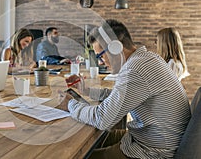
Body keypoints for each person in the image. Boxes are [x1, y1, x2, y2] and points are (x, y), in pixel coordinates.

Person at [58, 19, 191, 158]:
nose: (100, 61)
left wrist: (70, 104)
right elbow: (120, 96)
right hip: (149, 141)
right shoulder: (146, 58)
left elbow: (102, 119)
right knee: (97, 141)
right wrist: (86, 91)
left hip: (153, 153)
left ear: (116, 48)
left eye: (100, 55)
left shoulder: (136, 69)